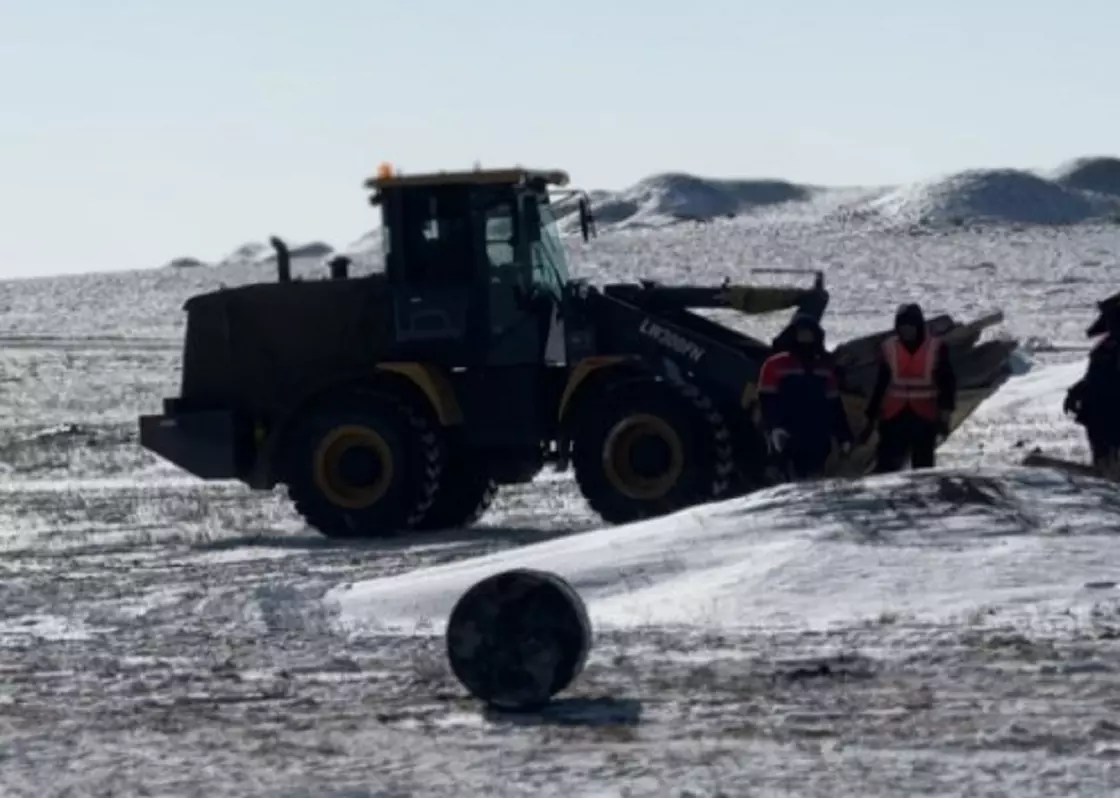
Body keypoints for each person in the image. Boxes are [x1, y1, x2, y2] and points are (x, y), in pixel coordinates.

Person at [862, 303, 957, 473]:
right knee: (887, 463)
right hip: (894, 416)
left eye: (910, 326)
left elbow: (947, 382)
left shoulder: (936, 347)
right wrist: (871, 416)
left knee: (923, 466)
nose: (906, 330)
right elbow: (881, 383)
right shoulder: (889, 347)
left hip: (924, 416)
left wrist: (945, 414)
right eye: (902, 326)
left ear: (918, 326)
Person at [758, 313, 853, 479]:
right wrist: (774, 428)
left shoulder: (823, 367)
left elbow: (835, 406)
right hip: (787, 435)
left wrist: (843, 435)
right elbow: (766, 401)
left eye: (809, 334)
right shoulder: (775, 364)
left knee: (815, 482)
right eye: (801, 334)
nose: (805, 338)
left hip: (818, 436)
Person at [1063, 302, 1120, 473]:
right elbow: (1095, 376)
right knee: (1103, 453)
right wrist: (1078, 390)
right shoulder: (1106, 347)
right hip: (1100, 411)